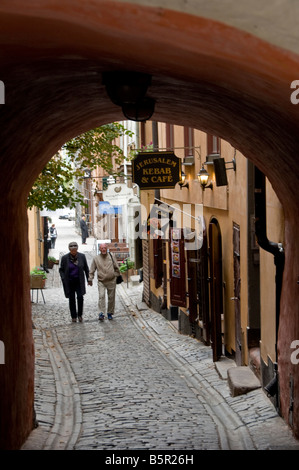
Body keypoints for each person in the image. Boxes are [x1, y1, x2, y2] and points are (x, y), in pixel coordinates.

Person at [88, 243, 120, 321]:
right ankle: (101, 313)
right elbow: (92, 269)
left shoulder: (111, 256)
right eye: (102, 248)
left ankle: (110, 313)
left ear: (107, 248)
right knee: (101, 296)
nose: (103, 249)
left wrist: (115, 274)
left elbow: (116, 267)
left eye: (105, 248)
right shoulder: (96, 258)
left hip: (111, 280)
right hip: (101, 281)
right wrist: (90, 279)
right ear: (99, 249)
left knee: (111, 297)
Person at [59, 241, 90, 322]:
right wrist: (63, 278)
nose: (73, 252)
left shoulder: (82, 257)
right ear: (69, 250)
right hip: (69, 282)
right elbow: (61, 269)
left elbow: (86, 269)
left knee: (80, 297)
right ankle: (73, 316)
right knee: (71, 299)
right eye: (72, 250)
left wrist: (88, 279)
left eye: (75, 250)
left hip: (79, 281)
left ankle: (80, 315)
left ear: (77, 249)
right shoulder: (65, 258)